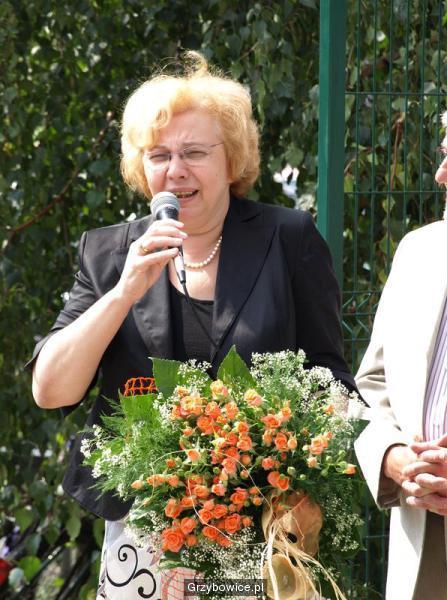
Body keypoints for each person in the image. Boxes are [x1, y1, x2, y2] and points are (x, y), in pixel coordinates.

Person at [30, 52, 355, 599]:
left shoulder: (289, 239)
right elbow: (50, 390)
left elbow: (331, 379)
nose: (175, 170)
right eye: (158, 155)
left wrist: (298, 466)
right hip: (143, 544)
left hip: (262, 535)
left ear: (232, 160)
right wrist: (125, 290)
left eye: (194, 153)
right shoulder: (107, 255)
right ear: (142, 168)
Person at [355, 108, 447, 600]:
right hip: (421, 539)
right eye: (445, 154)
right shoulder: (417, 251)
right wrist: (392, 458)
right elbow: (371, 385)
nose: (442, 175)